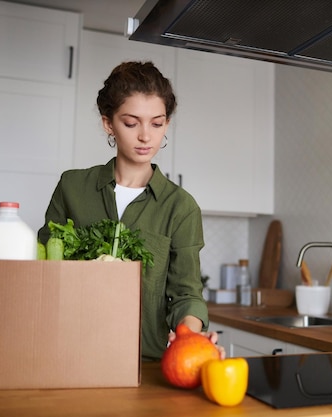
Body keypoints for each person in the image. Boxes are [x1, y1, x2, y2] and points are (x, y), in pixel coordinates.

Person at [38, 61, 222, 360]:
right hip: (67, 354)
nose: (146, 136)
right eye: (131, 122)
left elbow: (187, 293)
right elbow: (42, 267)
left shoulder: (180, 207)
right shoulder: (72, 187)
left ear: (166, 125)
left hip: (143, 364)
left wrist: (191, 336)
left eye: (157, 123)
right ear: (108, 123)